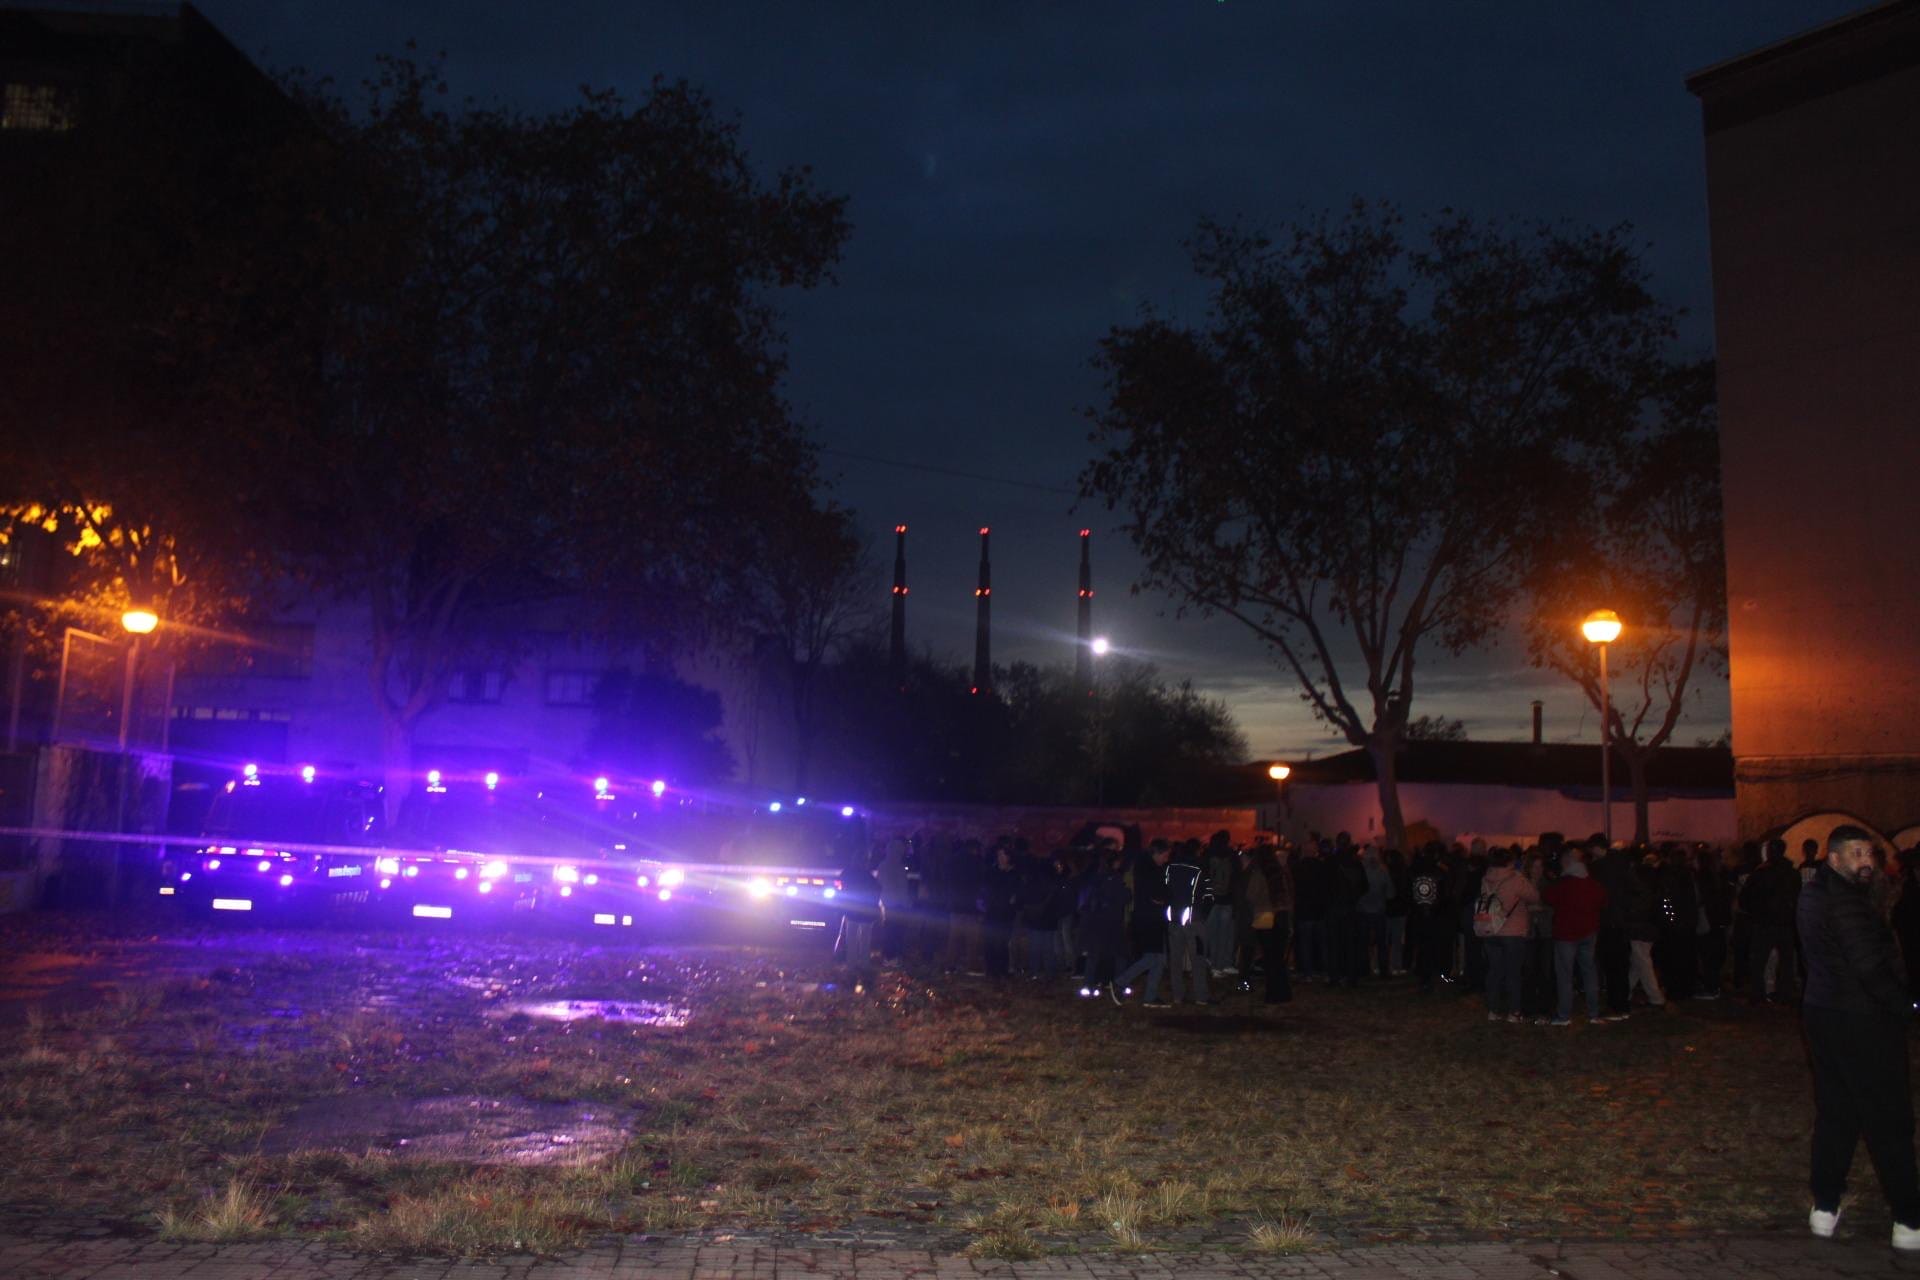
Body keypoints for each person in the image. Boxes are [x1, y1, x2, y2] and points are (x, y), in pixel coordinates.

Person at [1799, 825, 1920, 1249]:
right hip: (1861, 1018)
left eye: (1869, 853)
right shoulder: (1844, 901)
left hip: (1824, 1012)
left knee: (1837, 1112)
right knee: (1888, 1119)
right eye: (1856, 854)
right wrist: (1907, 1007)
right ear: (1833, 858)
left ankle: (1824, 1207)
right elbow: (1868, 966)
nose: (1866, 861)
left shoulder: (1816, 894)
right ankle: (1908, 1219)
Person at [1543, 851, 1609, 1025]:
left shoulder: (1564, 884)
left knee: (1565, 975)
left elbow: (1547, 897)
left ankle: (1564, 1015)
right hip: (1589, 932)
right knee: (1589, 972)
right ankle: (1593, 1013)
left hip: (1566, 934)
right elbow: (1603, 900)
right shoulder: (1593, 884)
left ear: (1566, 864)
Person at [1475, 848, 1538, 1022]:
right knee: (1513, 973)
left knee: (1494, 971)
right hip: (1513, 931)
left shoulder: (1486, 878)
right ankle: (1514, 1011)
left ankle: (1493, 1010)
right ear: (1510, 861)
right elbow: (1534, 896)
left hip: (1490, 929)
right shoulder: (1516, 878)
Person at [1745, 837, 1802, 1004]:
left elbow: (1747, 897)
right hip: (1785, 923)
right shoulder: (1792, 873)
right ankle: (1784, 994)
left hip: (1765, 923)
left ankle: (1758, 994)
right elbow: (1797, 897)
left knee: (1759, 961)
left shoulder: (1762, 873)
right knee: (1786, 962)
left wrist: (1755, 912)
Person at [1244, 843, 1293, 1005]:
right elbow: (1289, 893)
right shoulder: (1281, 872)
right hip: (1282, 916)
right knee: (1279, 957)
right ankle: (1284, 992)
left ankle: (1272, 993)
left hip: (1265, 917)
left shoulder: (1259, 873)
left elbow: (1251, 895)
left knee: (1269, 958)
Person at [1165, 840, 1212, 1004]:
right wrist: (1203, 914)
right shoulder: (1199, 870)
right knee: (1198, 959)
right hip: (1195, 921)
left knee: (1175, 959)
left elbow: (1165, 891)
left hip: (1174, 920)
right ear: (1197, 851)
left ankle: (1177, 995)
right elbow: (1208, 896)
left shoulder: (1170, 868)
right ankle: (1201, 996)